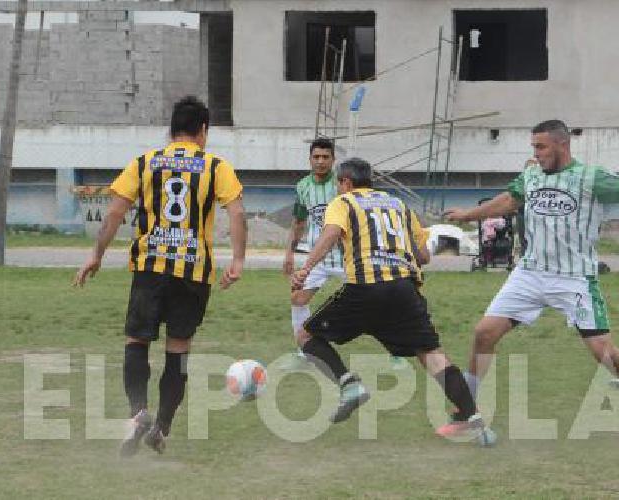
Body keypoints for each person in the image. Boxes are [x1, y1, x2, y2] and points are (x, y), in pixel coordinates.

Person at [444, 119, 619, 438]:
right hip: (530, 273)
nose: (536, 153)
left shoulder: (591, 177)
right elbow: (509, 202)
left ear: (562, 145)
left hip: (574, 279)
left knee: (604, 352)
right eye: (533, 147)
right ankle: (465, 413)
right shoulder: (531, 175)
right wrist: (468, 215)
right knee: (484, 333)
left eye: (541, 147)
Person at [73, 95, 247, 456]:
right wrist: (238, 260)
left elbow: (115, 213)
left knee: (137, 341)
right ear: (203, 130)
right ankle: (162, 427)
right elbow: (236, 214)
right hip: (193, 271)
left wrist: (96, 254)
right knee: (178, 349)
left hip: (149, 268)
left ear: (171, 129)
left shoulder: (145, 162)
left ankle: (138, 412)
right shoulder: (216, 166)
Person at [290, 158, 495, 446]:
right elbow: (423, 256)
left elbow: (331, 233)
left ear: (346, 183)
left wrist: (305, 268)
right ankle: (475, 421)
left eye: (339, 183)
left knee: (306, 335)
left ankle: (349, 385)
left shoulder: (345, 202)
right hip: (404, 289)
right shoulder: (398, 205)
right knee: (432, 355)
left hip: (366, 287)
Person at [279, 139, 409, 370]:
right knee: (297, 297)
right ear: (310, 159)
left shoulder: (343, 186)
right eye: (316, 157)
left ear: (333, 160)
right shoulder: (302, 187)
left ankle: (396, 354)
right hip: (318, 257)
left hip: (348, 257)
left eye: (325, 157)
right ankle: (304, 353)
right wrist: (289, 251)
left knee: (374, 305)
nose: (320, 161)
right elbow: (299, 221)